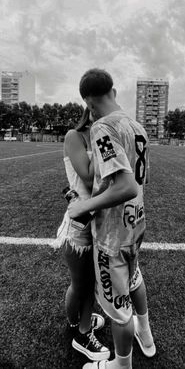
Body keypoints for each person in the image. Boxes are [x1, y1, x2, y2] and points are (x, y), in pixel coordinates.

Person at [68, 68, 156, 369]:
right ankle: (146, 336)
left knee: (119, 309)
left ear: (89, 104)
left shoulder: (102, 128)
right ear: (114, 92)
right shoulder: (137, 125)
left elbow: (126, 186)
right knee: (135, 278)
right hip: (137, 224)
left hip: (112, 234)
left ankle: (120, 364)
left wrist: (84, 206)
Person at [54, 107, 110, 362]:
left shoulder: (105, 135)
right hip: (79, 225)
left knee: (90, 283)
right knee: (83, 285)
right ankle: (82, 333)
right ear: (90, 108)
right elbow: (89, 178)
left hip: (99, 221)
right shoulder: (74, 136)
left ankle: (77, 322)